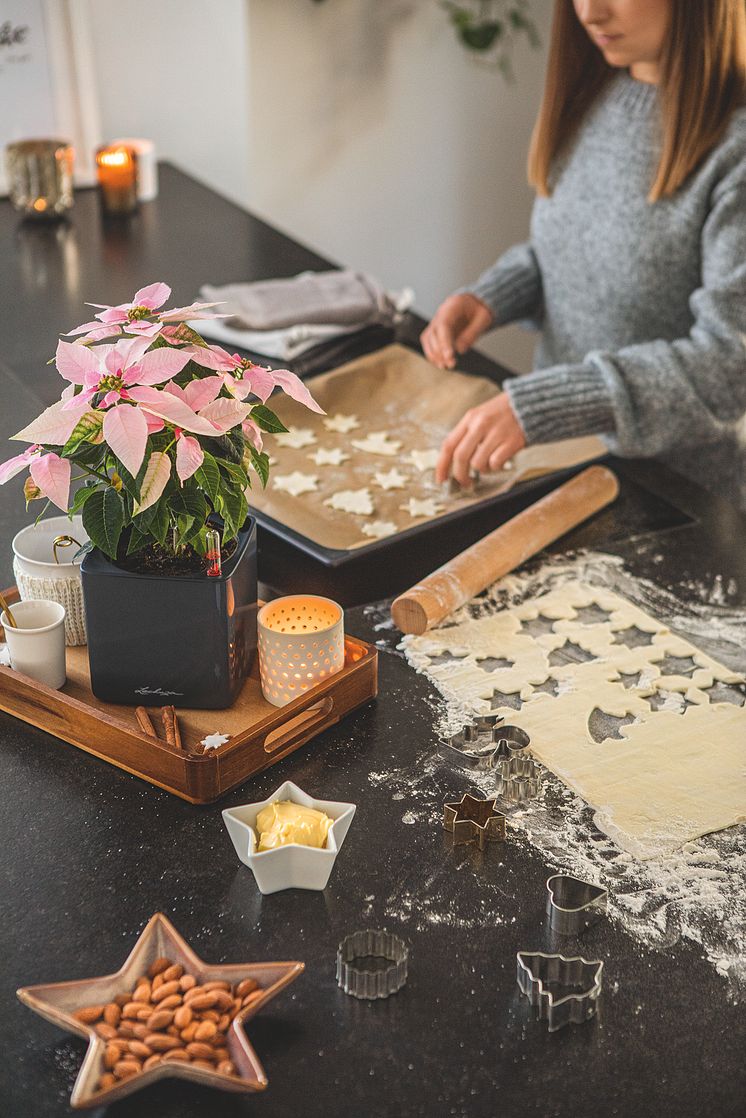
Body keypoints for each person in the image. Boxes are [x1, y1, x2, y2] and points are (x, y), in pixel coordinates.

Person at [422, 0, 746, 510]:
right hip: (562, 467)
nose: (589, 13)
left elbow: (728, 365)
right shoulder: (596, 93)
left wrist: (550, 407)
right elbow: (580, 247)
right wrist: (494, 297)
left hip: (676, 500)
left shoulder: (735, 151)